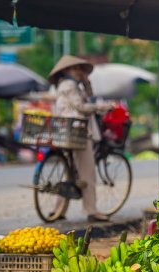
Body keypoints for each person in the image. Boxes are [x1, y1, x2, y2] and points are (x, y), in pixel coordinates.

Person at [48, 55, 112, 222]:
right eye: (75, 69)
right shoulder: (69, 85)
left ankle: (58, 210)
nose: (79, 72)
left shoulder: (72, 85)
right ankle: (91, 210)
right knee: (87, 173)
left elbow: (88, 97)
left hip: (68, 131)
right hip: (78, 132)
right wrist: (101, 107)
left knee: (70, 173)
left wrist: (86, 82)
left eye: (80, 69)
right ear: (66, 71)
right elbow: (82, 107)